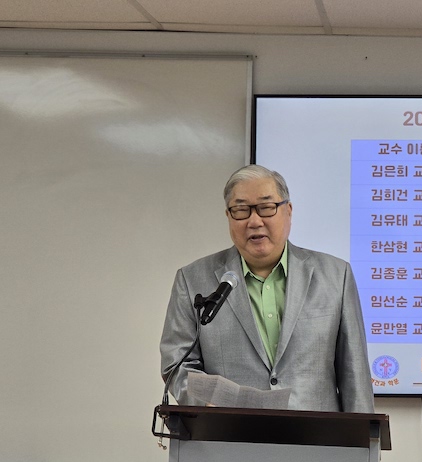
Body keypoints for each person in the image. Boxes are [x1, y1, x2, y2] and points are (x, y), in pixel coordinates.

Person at [159, 164, 373, 413]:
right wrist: (212, 403)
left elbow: (355, 374)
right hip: (229, 432)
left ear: (288, 211)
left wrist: (364, 433)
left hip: (316, 433)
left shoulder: (336, 276)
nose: (254, 221)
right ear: (228, 216)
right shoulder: (193, 279)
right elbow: (177, 365)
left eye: (266, 207)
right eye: (241, 210)